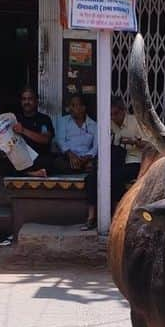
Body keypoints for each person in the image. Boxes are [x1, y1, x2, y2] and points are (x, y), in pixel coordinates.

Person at [54, 94, 99, 229]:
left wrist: (86, 158)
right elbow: (60, 141)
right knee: (56, 163)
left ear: (83, 108)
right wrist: (70, 155)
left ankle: (83, 167)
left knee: (96, 165)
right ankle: (82, 168)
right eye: (71, 105)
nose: (72, 108)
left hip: (87, 159)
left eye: (75, 105)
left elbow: (96, 147)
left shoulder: (93, 125)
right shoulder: (63, 122)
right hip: (68, 158)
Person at [11, 87, 54, 177]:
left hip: (39, 158)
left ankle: (25, 173)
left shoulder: (44, 119)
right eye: (24, 99)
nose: (27, 102)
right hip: (21, 158)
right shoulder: (15, 119)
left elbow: (46, 139)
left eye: (30, 99)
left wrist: (23, 130)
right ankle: (32, 173)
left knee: (52, 163)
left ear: (36, 101)